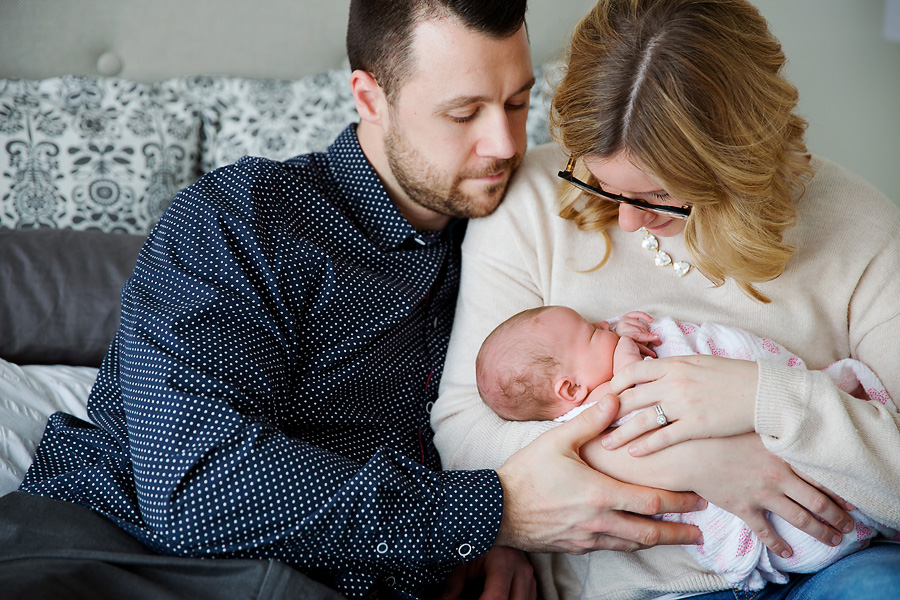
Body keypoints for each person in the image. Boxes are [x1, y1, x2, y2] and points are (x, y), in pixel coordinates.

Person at [0, 2, 709, 599]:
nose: (504, 143)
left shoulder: (512, 242)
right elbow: (201, 486)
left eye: (520, 102)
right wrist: (489, 514)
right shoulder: (239, 219)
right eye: (463, 113)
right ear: (370, 98)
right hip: (128, 561)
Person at [431, 0, 900, 598]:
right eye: (600, 183)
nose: (626, 222)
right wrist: (686, 463)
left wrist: (767, 399)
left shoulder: (860, 229)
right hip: (645, 581)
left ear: (738, 164)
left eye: (658, 195)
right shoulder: (530, 208)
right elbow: (466, 434)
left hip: (830, 561)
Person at [475, 305, 898, 590]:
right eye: (594, 332)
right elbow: (634, 386)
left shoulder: (582, 393)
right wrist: (623, 345)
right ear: (571, 388)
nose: (607, 325)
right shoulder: (591, 411)